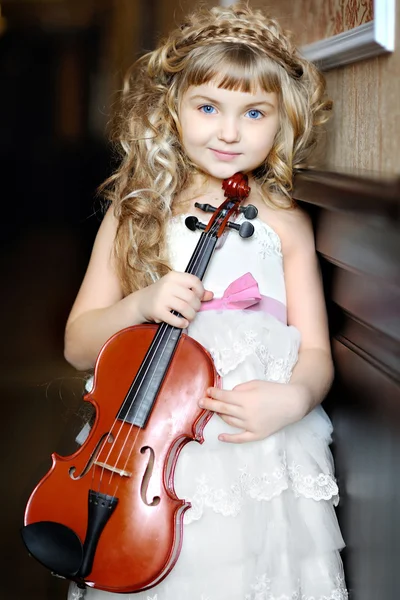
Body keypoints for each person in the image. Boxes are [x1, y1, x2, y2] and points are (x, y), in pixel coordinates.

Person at [65, 3, 347, 599]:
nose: (229, 131)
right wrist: (139, 304)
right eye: (209, 107)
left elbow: (317, 353)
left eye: (254, 113)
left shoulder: (286, 226)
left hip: (262, 457)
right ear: (173, 109)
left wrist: (295, 396)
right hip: (152, 459)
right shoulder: (135, 213)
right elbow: (77, 343)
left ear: (282, 120)